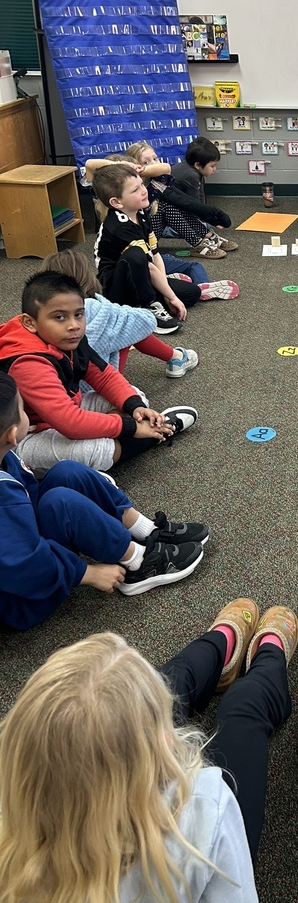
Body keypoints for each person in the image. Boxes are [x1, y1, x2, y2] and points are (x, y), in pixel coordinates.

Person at [0, 598, 298, 903]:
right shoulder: (206, 805)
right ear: (168, 743)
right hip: (197, 847)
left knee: (141, 696)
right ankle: (264, 656)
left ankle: (222, 649)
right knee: (239, 705)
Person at [0, 371, 206, 626]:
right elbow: (24, 569)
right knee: (61, 501)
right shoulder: (3, 496)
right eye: (23, 409)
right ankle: (138, 563)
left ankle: (145, 530)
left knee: (66, 472)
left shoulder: (4, 453)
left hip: (28, 545)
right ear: (12, 434)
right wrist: (87, 573)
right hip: (24, 599)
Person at [0, 271, 197, 472]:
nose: (73, 325)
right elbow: (69, 422)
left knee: (135, 397)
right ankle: (153, 437)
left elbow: (103, 376)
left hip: (60, 414)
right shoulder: (27, 361)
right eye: (59, 317)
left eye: (79, 314)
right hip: (21, 439)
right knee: (96, 450)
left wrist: (135, 407)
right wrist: (131, 428)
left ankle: (132, 434)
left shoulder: (65, 336)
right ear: (29, 323)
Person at [86, 146, 240, 298]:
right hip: (126, 275)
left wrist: (137, 170)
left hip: (151, 256)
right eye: (145, 162)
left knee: (192, 279)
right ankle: (171, 281)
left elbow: (166, 169)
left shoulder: (144, 197)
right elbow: (90, 165)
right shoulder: (105, 200)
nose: (152, 165)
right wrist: (121, 167)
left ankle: (197, 285)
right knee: (166, 289)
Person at [41, 250, 199, 380]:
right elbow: (145, 321)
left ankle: (175, 357)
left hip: (57, 381)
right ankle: (176, 358)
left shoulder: (40, 312)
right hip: (101, 383)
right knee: (127, 325)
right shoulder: (92, 307)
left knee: (124, 323)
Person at [93, 163, 199, 334]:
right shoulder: (118, 226)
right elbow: (148, 266)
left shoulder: (141, 213)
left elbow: (155, 255)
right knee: (135, 255)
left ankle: (146, 300)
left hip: (141, 276)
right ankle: (148, 307)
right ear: (116, 202)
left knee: (192, 293)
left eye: (142, 184)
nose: (143, 190)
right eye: (135, 190)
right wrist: (170, 296)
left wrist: (166, 288)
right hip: (116, 286)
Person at [168, 137, 239, 259]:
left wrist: (209, 218)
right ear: (198, 165)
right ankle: (200, 242)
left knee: (202, 221)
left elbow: (200, 198)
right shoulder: (190, 174)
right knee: (189, 215)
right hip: (169, 221)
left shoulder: (195, 170)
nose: (214, 170)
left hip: (181, 209)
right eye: (212, 166)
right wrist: (208, 221)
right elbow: (192, 206)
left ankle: (208, 235)